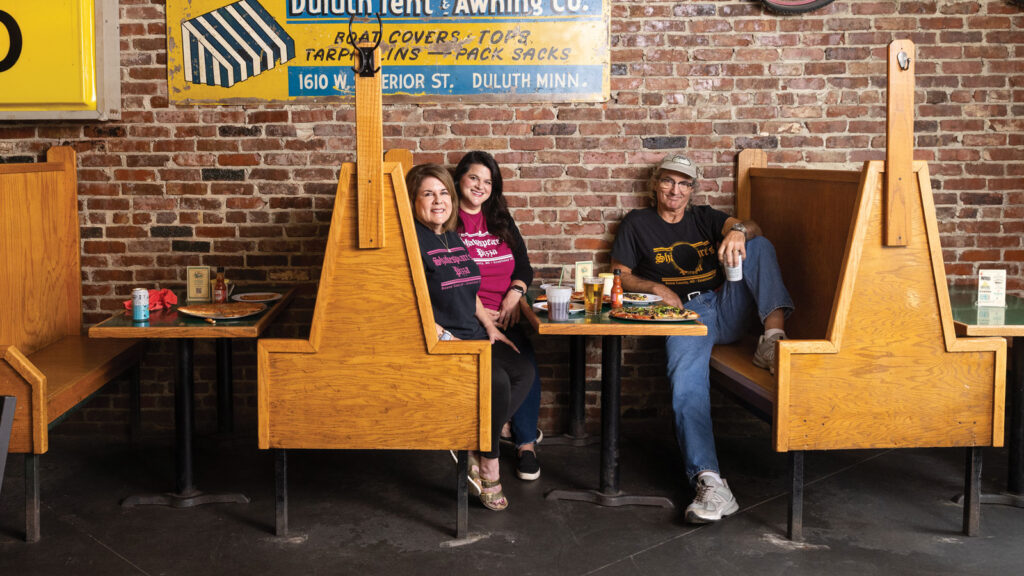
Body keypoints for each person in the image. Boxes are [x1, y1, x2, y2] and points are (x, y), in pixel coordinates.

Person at [610, 153, 794, 524]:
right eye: (667, 181)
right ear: (655, 185)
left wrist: (739, 231)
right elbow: (620, 274)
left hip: (725, 304)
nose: (675, 190)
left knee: (759, 245)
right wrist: (655, 287)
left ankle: (772, 340)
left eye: (684, 183)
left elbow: (752, 224)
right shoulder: (637, 223)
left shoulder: (704, 217)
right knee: (686, 385)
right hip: (684, 316)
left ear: (692, 190)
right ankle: (710, 482)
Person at [406, 163, 533, 511]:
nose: (438, 201)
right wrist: (450, 341)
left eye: (443, 193)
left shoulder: (451, 235)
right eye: (428, 194)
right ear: (412, 200)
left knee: (523, 371)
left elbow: (468, 286)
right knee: (497, 382)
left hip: (475, 333)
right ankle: (490, 463)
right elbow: (405, 306)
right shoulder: (412, 242)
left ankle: (470, 442)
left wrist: (490, 327)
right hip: (443, 343)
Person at [452, 151, 543, 481]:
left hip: (507, 313)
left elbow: (524, 266)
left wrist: (514, 296)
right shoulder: (447, 219)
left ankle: (524, 445)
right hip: (470, 318)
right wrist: (482, 314)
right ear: (460, 178)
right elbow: (450, 276)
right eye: (474, 177)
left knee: (527, 364)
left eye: (488, 182)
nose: (480, 186)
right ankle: (492, 438)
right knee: (508, 373)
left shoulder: (500, 218)